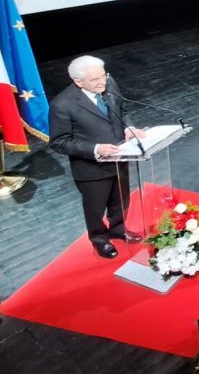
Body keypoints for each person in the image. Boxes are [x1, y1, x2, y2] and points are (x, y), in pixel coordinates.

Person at [49, 55, 146, 259]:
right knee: (95, 209)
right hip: (92, 169)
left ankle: (119, 229)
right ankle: (100, 239)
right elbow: (59, 142)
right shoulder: (62, 104)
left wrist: (130, 128)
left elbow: (122, 108)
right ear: (78, 81)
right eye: (95, 80)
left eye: (103, 76)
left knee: (120, 200)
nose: (102, 82)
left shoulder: (108, 83)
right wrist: (95, 148)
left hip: (120, 157)